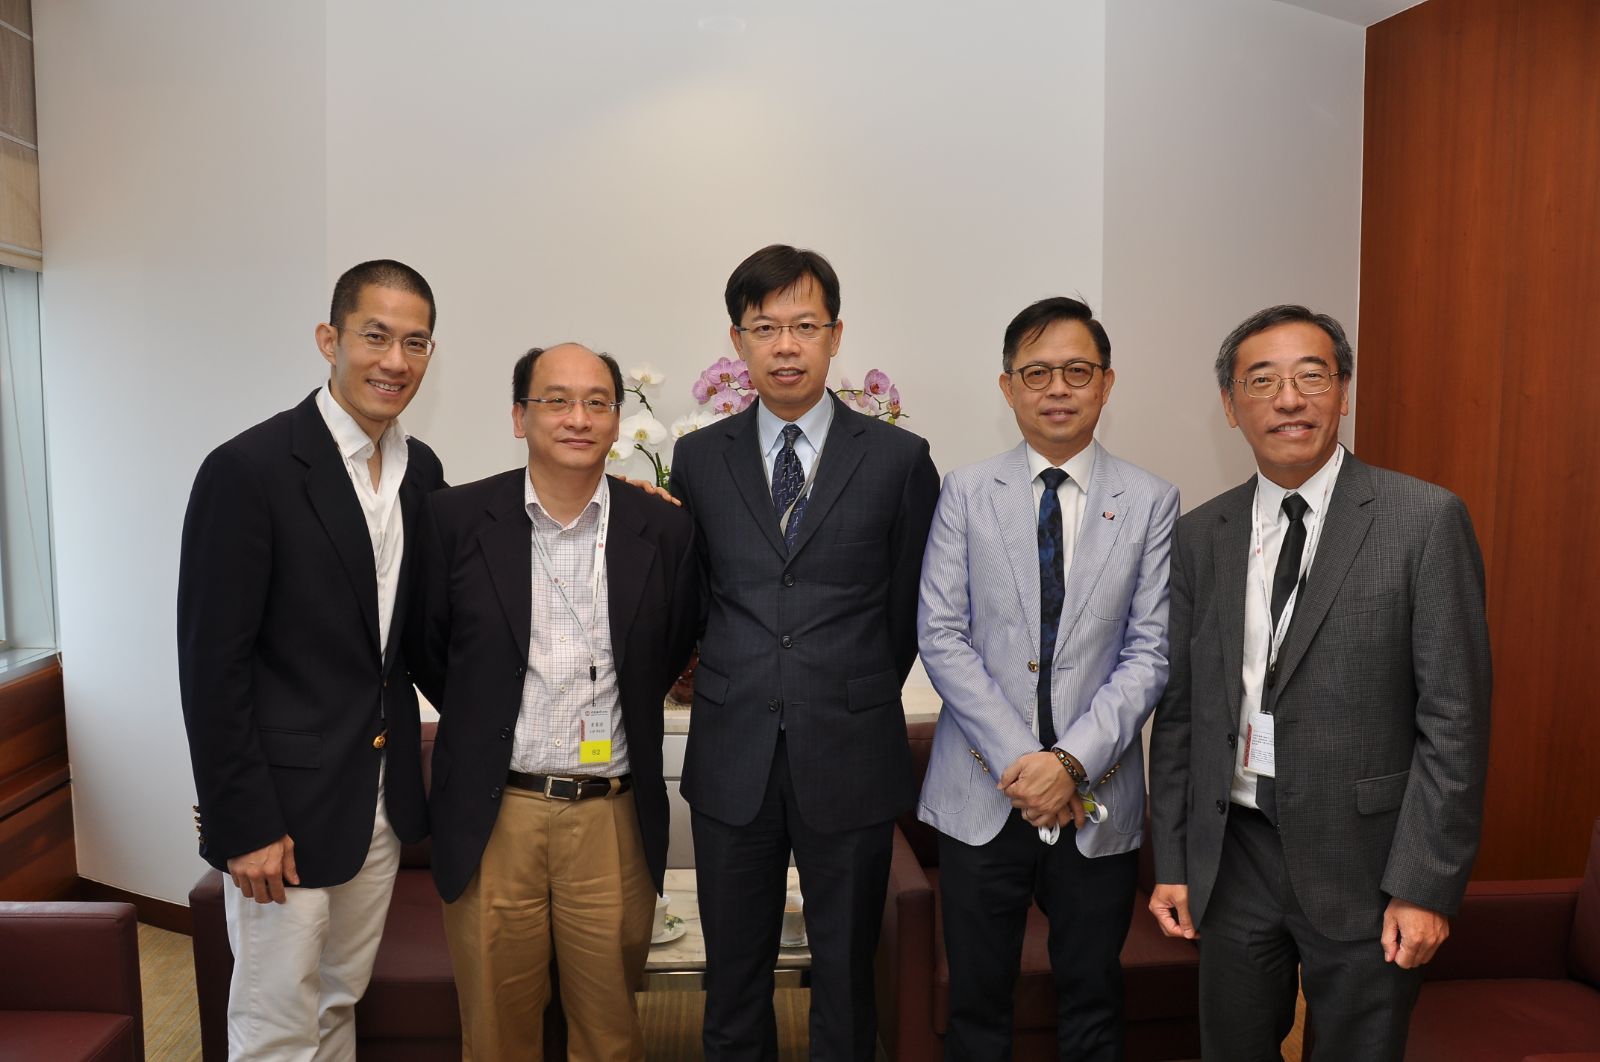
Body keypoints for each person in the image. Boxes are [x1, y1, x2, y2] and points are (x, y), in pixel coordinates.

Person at [1147, 305, 1492, 1061]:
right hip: (1235, 850)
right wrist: (1172, 861)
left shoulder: (1423, 520)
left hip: (1367, 860)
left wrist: (1424, 884)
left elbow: (1455, 724)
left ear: (1344, 393)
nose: (1289, 399)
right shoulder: (1202, 534)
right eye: (1262, 381)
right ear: (1231, 406)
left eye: (1312, 376)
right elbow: (1182, 713)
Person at [668, 244, 940, 1061]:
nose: (785, 345)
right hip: (732, 751)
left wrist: (850, 691)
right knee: (733, 981)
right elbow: (694, 599)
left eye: (805, 326)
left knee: (848, 982)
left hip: (851, 751)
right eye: (765, 328)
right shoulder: (699, 459)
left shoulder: (899, 460)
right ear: (738, 341)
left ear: (835, 335)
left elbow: (907, 612)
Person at [177, 259, 445, 1059]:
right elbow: (211, 668)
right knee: (275, 1026)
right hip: (282, 818)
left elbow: (418, 638)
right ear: (330, 340)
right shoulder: (248, 470)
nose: (395, 360)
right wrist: (244, 823)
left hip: (381, 803)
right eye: (375, 336)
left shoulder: (422, 472)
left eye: (415, 343)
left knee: (337, 1002)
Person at [408, 343, 698, 1060]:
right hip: (496, 815)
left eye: (598, 402)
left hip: (610, 817)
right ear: (520, 417)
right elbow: (430, 651)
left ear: (617, 421)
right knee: (497, 1034)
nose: (578, 418)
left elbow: (668, 650)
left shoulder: (663, 528)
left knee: (610, 1035)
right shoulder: (454, 519)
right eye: (556, 401)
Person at [916, 296, 1177, 1060]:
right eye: (1037, 373)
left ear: (1106, 383)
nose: (1057, 388)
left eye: (1077, 371)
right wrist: (1025, 763)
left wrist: (1070, 763)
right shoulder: (966, 492)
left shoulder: (1151, 501)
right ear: (1008, 387)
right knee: (977, 1006)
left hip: (1097, 796)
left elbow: (1150, 651)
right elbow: (941, 635)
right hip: (981, 790)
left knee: (1093, 1003)